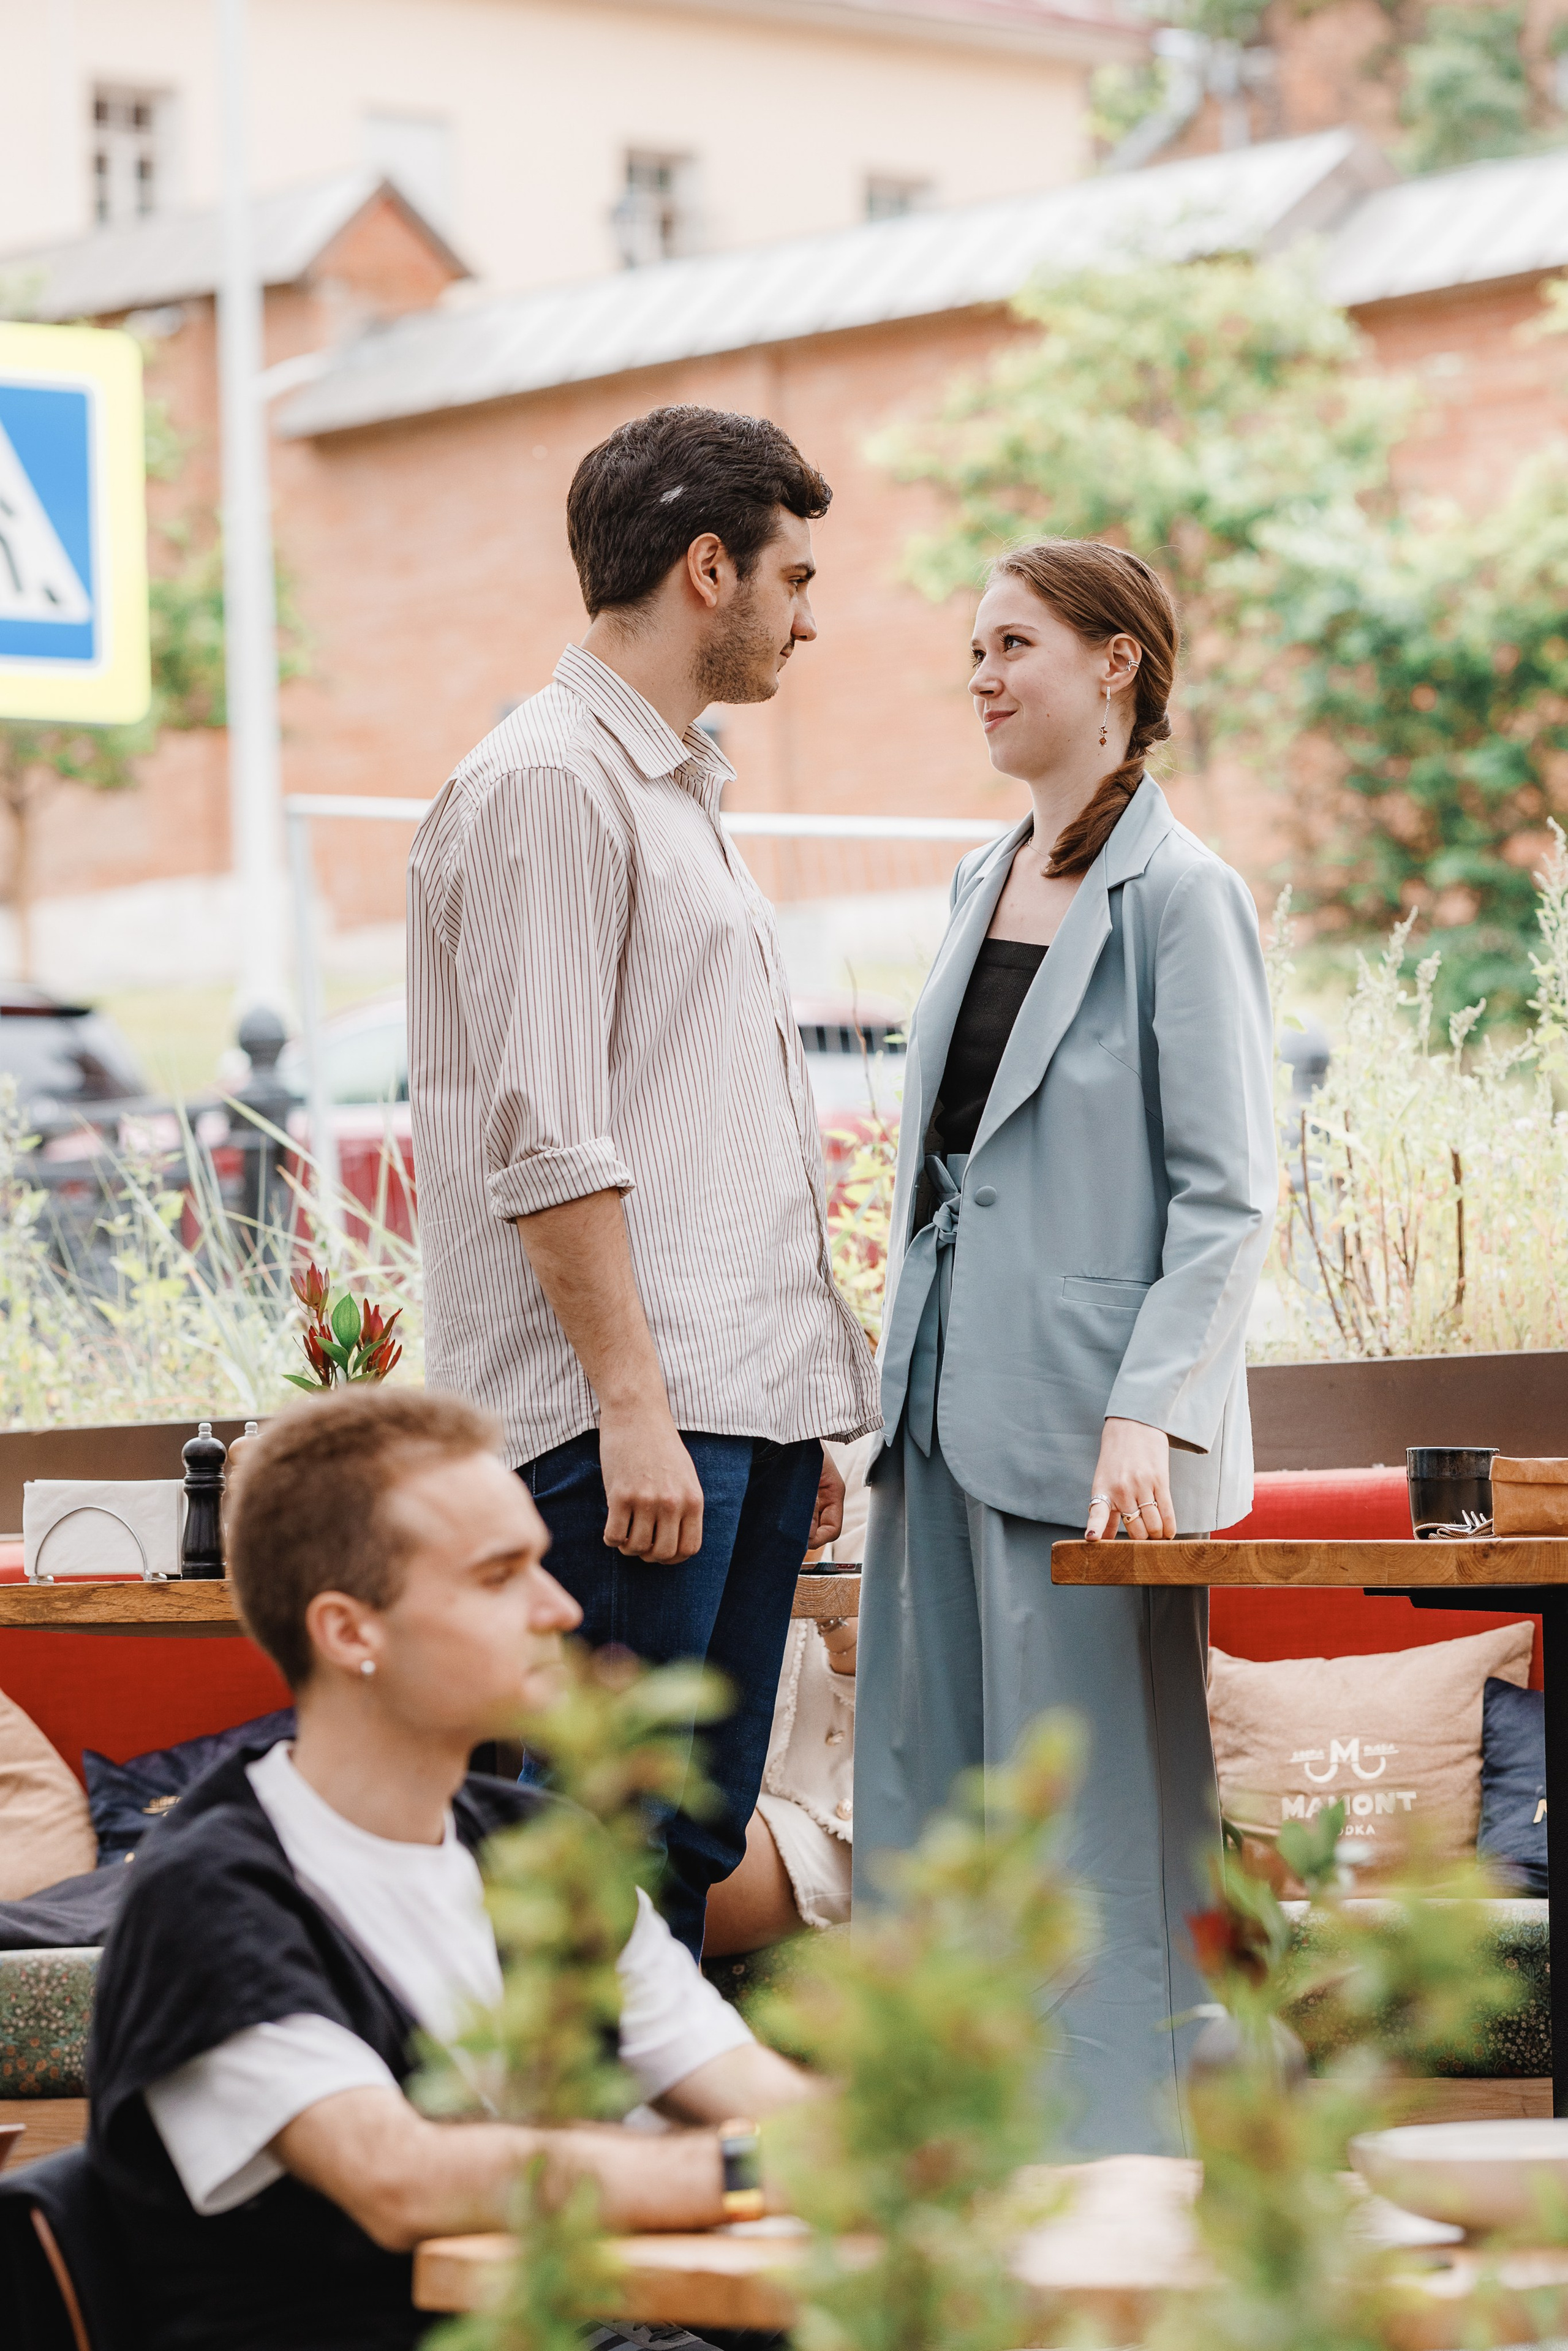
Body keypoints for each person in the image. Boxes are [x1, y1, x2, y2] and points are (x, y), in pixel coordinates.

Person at [408, 406, 879, 1957]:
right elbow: (548, 1136)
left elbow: (701, 1128)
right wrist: (634, 1403)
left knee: (676, 1841)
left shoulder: (681, 794)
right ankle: (548, 2190)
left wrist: (791, 1399)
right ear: (704, 567)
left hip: (722, 1416)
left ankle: (640, 2186)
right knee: (580, 1853)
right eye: (791, 579)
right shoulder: (549, 783)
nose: (812, 617)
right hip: (613, 1434)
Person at [86, 1388, 816, 2351]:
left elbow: (743, 2085)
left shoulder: (542, 1850)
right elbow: (400, 2180)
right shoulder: (212, 1894)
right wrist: (747, 2173)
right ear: (352, 1632)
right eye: (499, 1574)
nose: (557, 1608)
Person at [853, 540, 1276, 2157]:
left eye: (1011, 642)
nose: (979, 672)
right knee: (933, 1793)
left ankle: (1127, 2174)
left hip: (1099, 1452)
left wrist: (1142, 1414)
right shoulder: (978, 880)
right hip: (940, 1413)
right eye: (970, 646)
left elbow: (1227, 1200)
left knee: (1096, 1815)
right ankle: (951, 2163)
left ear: (1116, 665)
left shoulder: (1184, 896)